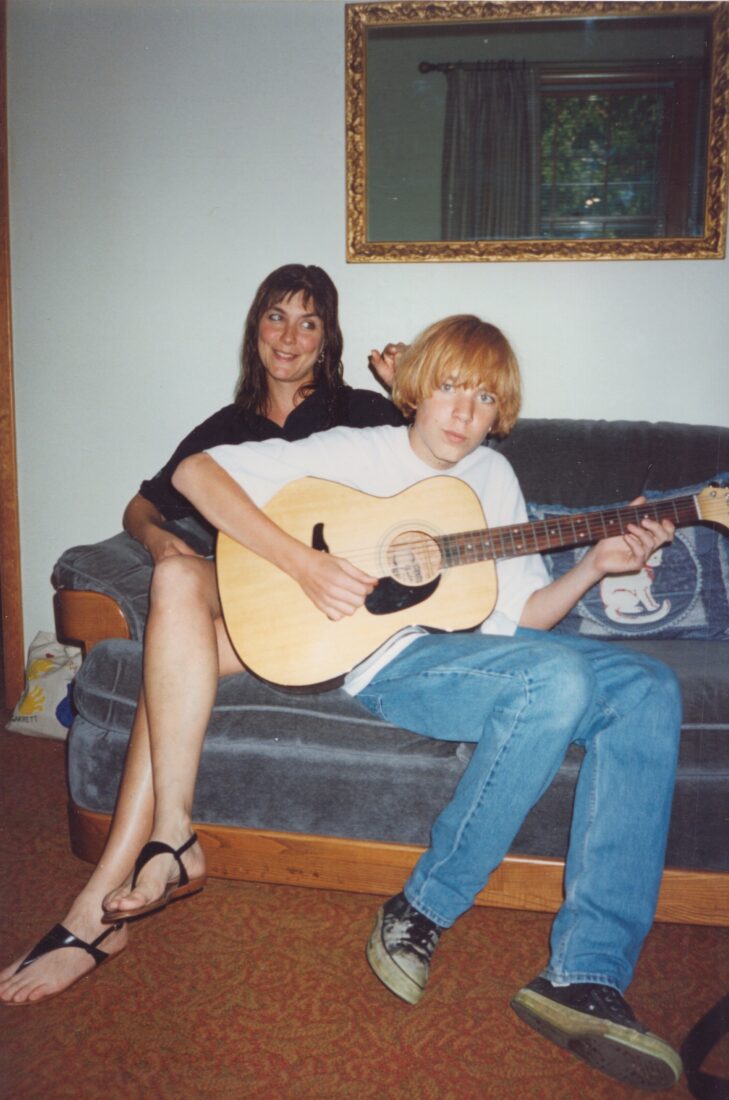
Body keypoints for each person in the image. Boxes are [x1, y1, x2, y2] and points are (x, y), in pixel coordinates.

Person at [169, 314, 683, 1091]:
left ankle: (583, 974)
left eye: (482, 398)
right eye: (448, 387)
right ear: (415, 387)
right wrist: (302, 565)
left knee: (647, 685)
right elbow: (195, 474)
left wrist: (595, 567)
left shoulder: (494, 478)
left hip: (478, 652)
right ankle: (420, 910)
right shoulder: (358, 449)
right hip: (387, 659)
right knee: (555, 680)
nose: (462, 413)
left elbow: (519, 623)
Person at [0, 263, 403, 1006]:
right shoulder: (226, 428)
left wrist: (408, 391)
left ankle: (95, 909)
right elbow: (140, 505)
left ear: (328, 339)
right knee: (177, 582)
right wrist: (158, 543)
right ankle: (168, 839)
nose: (288, 336)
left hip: (329, 613)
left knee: (166, 674)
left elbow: (443, 475)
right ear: (255, 328)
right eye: (275, 317)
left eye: (307, 322)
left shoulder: (363, 412)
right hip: (246, 602)